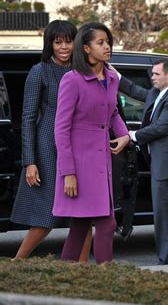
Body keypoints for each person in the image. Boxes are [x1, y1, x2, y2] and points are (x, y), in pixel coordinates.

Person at [9, 20, 92, 261]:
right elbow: (28, 118)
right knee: (47, 215)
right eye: (58, 42)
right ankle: (17, 262)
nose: (64, 47)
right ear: (50, 44)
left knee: (84, 213)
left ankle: (84, 271)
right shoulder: (40, 71)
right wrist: (30, 162)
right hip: (48, 148)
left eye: (68, 41)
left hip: (80, 145)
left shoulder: (84, 70)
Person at [53, 22, 130, 264]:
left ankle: (63, 283)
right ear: (86, 48)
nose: (107, 47)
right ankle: (104, 283)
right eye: (101, 42)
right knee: (106, 224)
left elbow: (114, 111)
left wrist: (124, 134)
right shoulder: (72, 80)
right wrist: (69, 173)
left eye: (108, 42)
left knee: (81, 226)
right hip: (79, 165)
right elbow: (61, 128)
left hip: (102, 164)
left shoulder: (111, 77)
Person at [127, 60, 168, 264]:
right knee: (161, 213)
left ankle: (167, 259)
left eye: (156, 74)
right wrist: (111, 70)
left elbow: (161, 127)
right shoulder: (156, 93)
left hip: (167, 165)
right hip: (157, 162)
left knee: (165, 214)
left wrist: (133, 135)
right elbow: (132, 89)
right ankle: (165, 255)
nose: (152, 77)